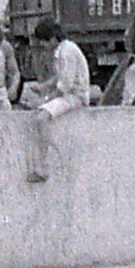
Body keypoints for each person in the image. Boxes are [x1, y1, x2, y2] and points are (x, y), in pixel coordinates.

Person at [21, 18, 90, 183]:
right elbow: (58, 78)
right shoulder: (63, 50)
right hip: (69, 94)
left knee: (41, 118)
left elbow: (64, 86)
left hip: (76, 96)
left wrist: (44, 101)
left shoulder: (67, 52)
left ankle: (43, 167)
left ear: (52, 38)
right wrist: (43, 87)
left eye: (44, 41)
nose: (43, 45)